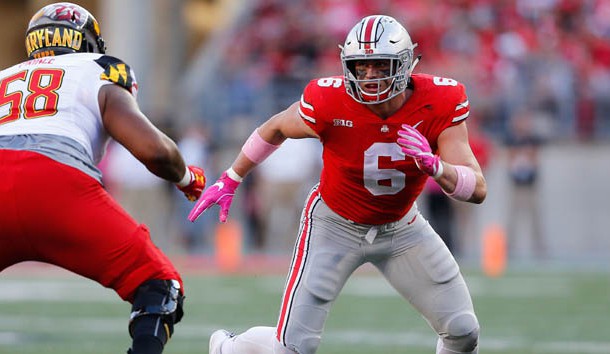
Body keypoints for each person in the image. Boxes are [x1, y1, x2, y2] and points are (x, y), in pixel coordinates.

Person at [190, 15, 486, 354]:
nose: (370, 76)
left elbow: (477, 189)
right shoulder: (330, 100)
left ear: (405, 64)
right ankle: (228, 349)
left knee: (464, 331)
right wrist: (232, 177)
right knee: (293, 348)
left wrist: (438, 168)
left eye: (380, 65)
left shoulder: (440, 100)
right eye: (362, 67)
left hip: (401, 227)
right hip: (334, 225)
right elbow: (276, 127)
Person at [0, 3, 206, 354]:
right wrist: (187, 178)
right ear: (89, 41)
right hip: (57, 184)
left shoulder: (6, 77)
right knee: (159, 285)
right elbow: (153, 151)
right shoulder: (96, 68)